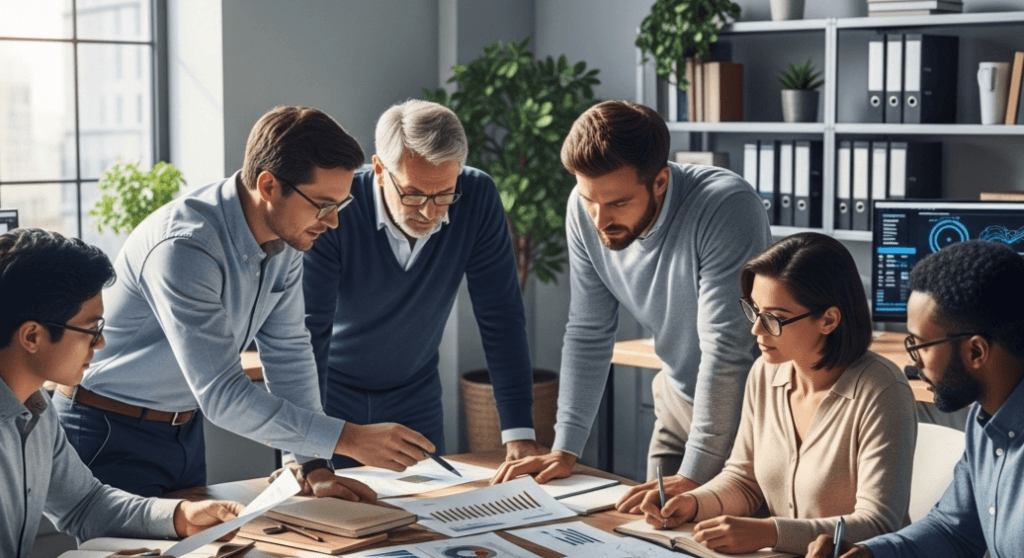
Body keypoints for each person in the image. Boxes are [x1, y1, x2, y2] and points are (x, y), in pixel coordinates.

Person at [55, 105, 431, 498]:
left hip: (182, 429)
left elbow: (288, 352)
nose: (333, 221)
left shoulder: (287, 238)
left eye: (340, 205)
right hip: (108, 428)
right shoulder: (185, 247)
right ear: (268, 187)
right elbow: (222, 394)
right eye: (323, 205)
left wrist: (314, 464)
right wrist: (347, 438)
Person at [492, 100, 773, 504]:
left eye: (618, 203)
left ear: (660, 181)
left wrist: (695, 475)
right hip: (676, 398)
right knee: (647, 534)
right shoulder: (585, 208)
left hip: (741, 414)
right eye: (590, 199)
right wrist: (565, 448)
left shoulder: (726, 206)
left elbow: (726, 350)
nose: (599, 219)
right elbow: (589, 329)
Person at [637, 233, 916, 555]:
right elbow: (744, 479)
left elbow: (879, 523)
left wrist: (770, 532)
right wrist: (693, 503)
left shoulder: (881, 390)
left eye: (774, 318)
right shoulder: (765, 372)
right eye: (754, 310)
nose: (756, 328)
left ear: (828, 319)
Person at [303, 99, 542, 467]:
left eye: (445, 194)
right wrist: (306, 446)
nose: (430, 212)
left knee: (429, 516)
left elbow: (501, 315)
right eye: (413, 194)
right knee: (333, 515)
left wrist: (519, 432)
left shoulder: (477, 197)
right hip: (331, 394)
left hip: (414, 394)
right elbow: (310, 329)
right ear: (381, 170)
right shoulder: (338, 208)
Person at [0, 229, 245, 558]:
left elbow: (86, 505)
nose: (100, 344)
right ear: (33, 336)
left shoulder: (38, 410)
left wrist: (180, 517)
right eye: (90, 330)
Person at [807, 239, 1024, 558]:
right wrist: (869, 554)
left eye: (920, 344)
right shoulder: (984, 421)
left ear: (975, 351)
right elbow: (954, 530)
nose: (913, 361)